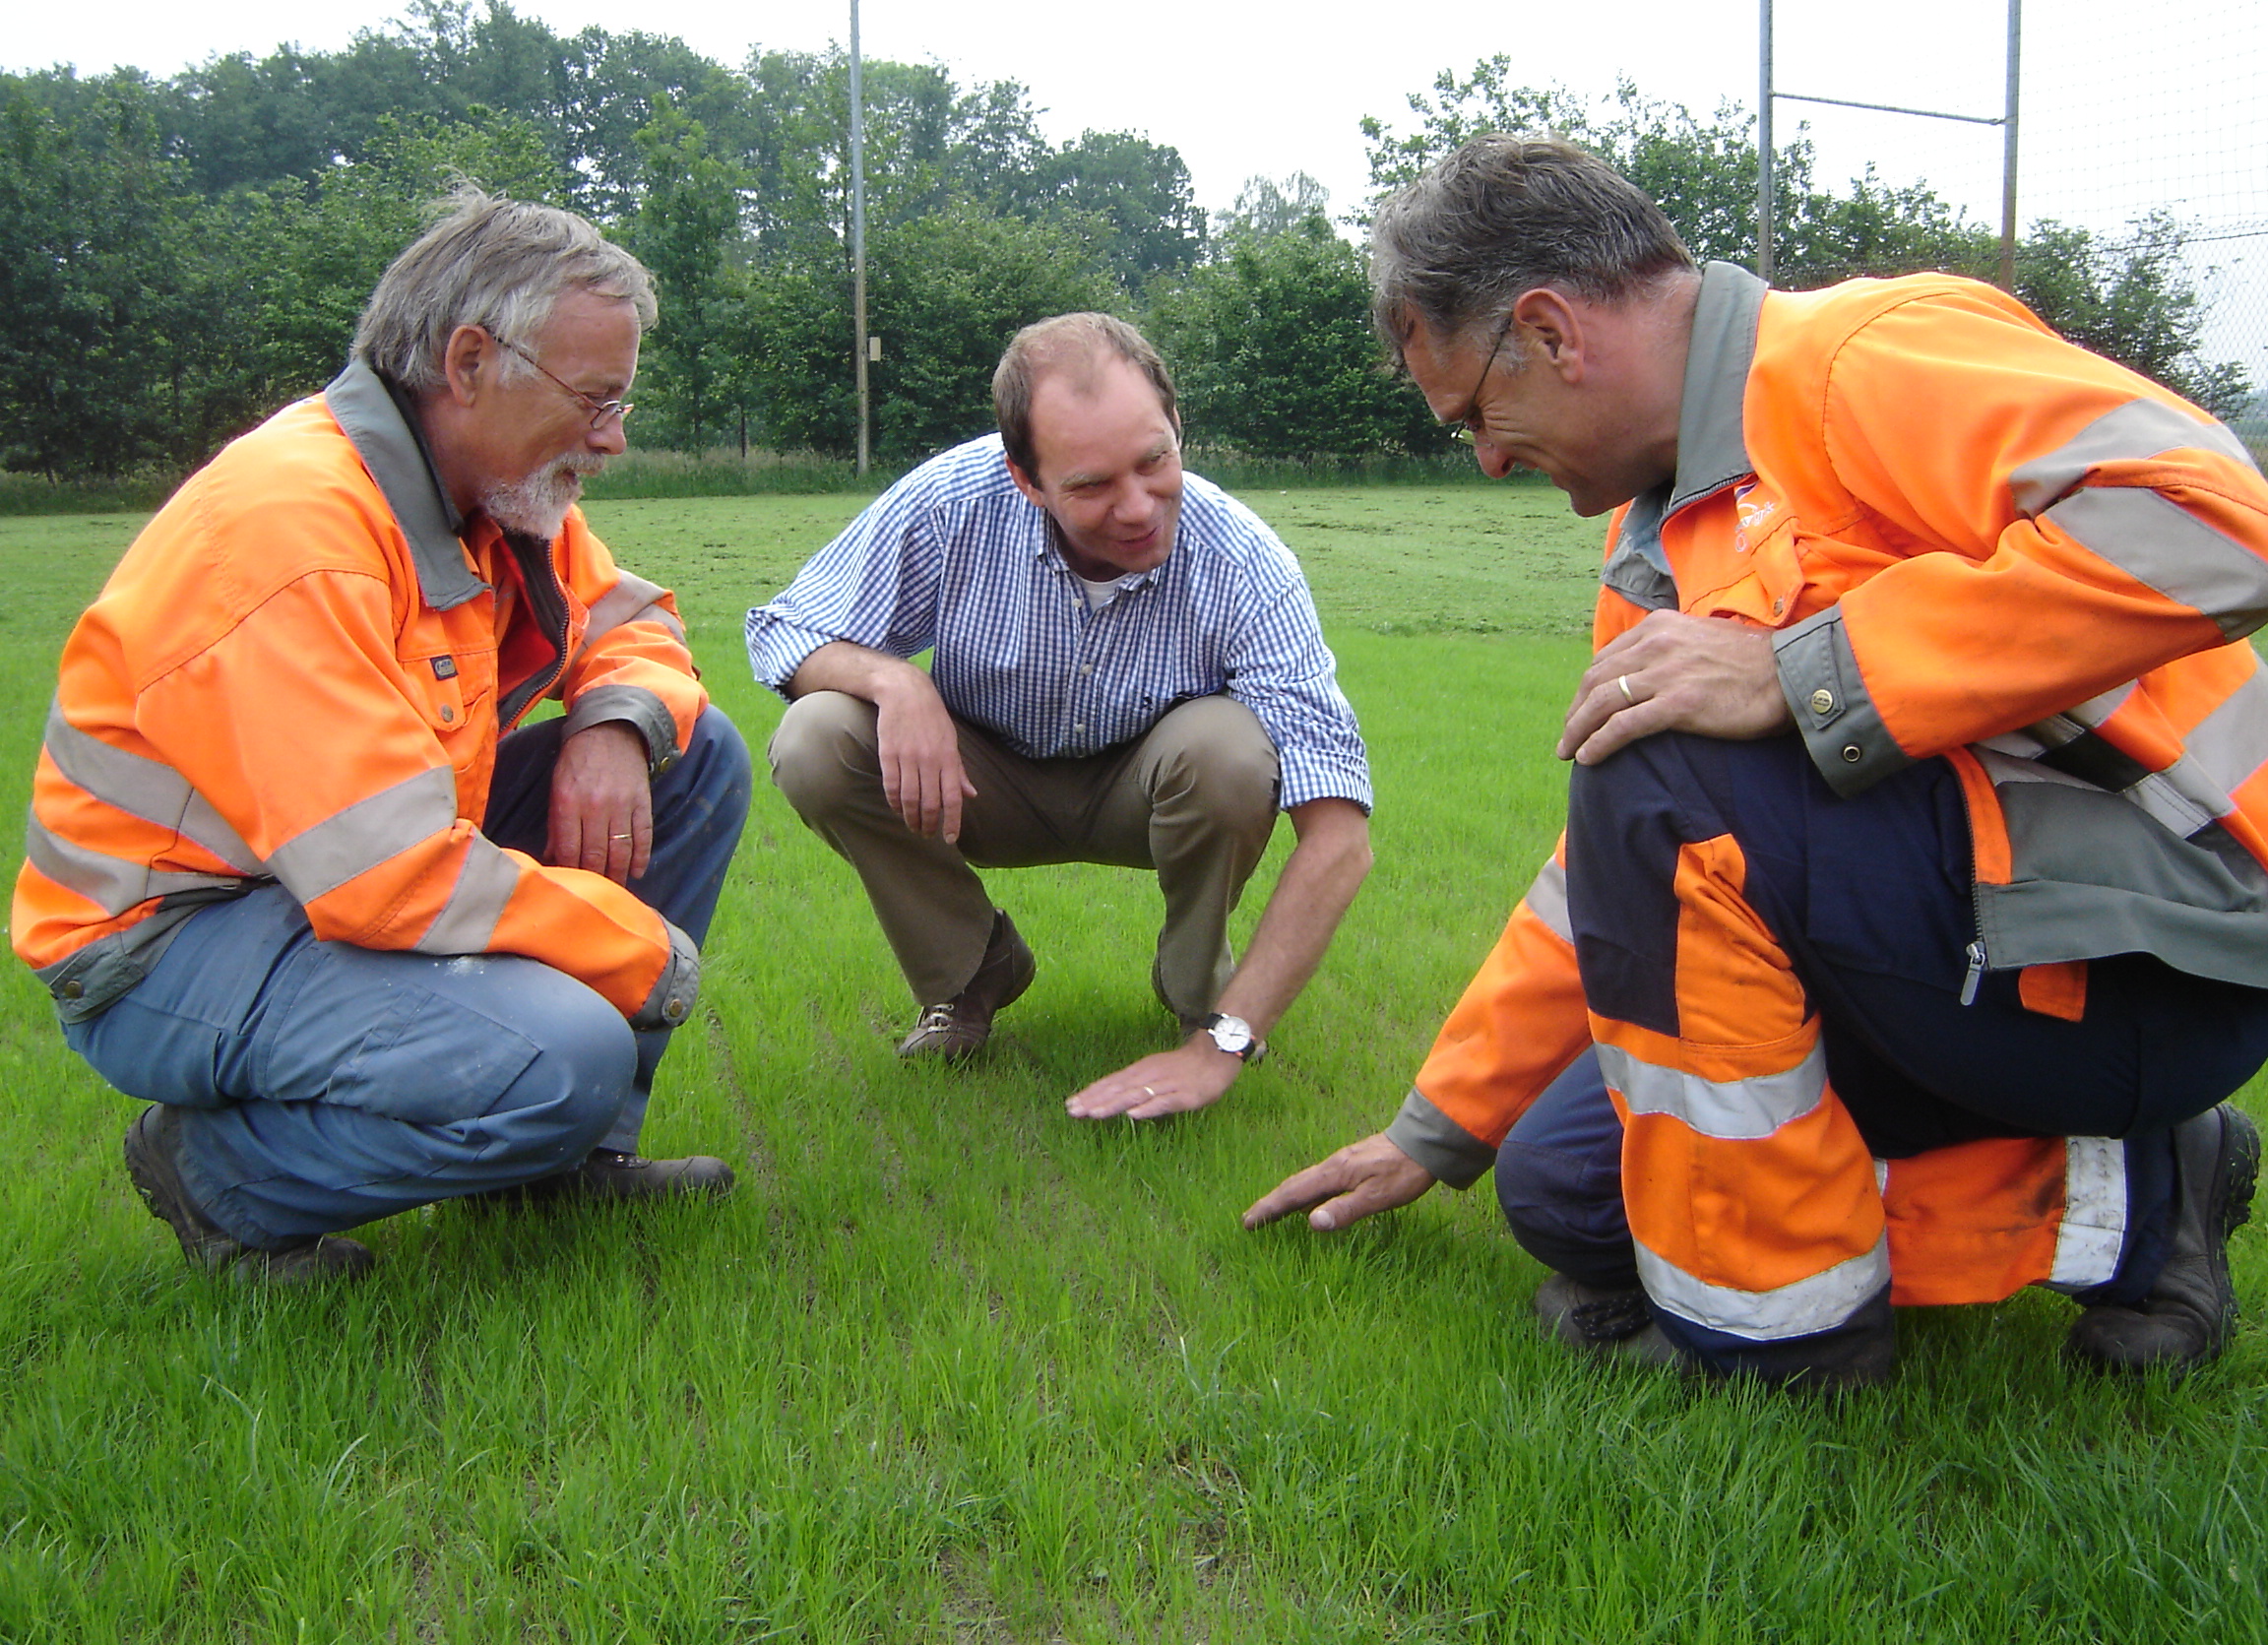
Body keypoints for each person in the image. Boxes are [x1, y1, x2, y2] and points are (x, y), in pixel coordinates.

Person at [1244, 137, 2268, 1388]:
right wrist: (1437, 1127)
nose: (1488, 460)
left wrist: (1803, 673)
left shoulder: (1857, 358)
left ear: (1553, 332)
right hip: (1955, 959)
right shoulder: (1660, 538)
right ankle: (2147, 1197)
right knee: (1566, 1189)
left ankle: (1787, 1347)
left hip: (2153, 952)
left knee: (1659, 778)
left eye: (1474, 414)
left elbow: (2220, 520)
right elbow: (1615, 874)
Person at [14, 190, 752, 1283]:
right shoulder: (295, 533)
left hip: (328, 869)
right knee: (568, 1051)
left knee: (692, 755)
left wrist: (614, 724)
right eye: (596, 399)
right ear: (467, 363)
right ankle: (216, 1175)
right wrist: (642, 955)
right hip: (165, 939)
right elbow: (386, 874)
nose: (614, 437)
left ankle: (559, 1165)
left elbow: (629, 620)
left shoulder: (494, 491)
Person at [746, 313, 1372, 1116]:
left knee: (1230, 751)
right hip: (980, 786)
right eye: (1090, 485)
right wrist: (898, 684)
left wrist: (1226, 1045)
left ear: (1177, 425)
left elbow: (1340, 836)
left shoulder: (1245, 561)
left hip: (1146, 792)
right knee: (816, 736)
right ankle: (971, 969)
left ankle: (1199, 996)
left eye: (1155, 461)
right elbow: (785, 627)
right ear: (1025, 478)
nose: (1140, 507)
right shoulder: (951, 501)